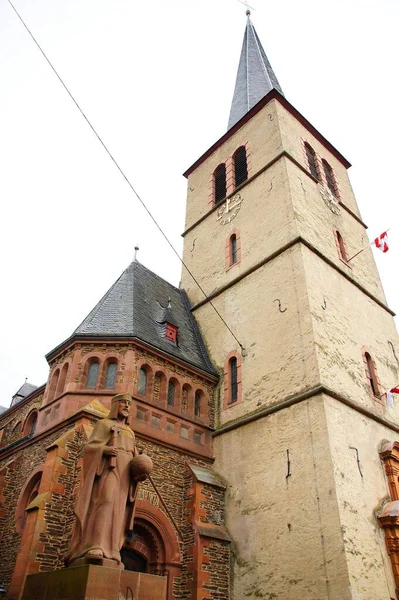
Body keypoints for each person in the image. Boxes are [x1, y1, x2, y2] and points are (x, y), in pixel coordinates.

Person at [65, 393, 141, 568]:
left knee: (119, 510)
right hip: (109, 468)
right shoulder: (104, 425)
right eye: (123, 403)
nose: (127, 407)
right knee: (104, 501)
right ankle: (96, 545)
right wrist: (104, 450)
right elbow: (90, 447)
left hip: (125, 474)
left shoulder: (130, 432)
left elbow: (135, 456)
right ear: (115, 406)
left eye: (129, 404)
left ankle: (113, 550)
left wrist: (140, 469)